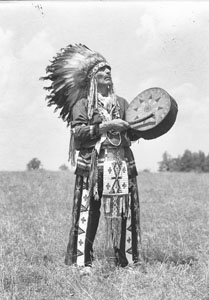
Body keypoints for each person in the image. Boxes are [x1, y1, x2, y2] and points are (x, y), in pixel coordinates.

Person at [41, 44, 142, 269]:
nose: (107, 73)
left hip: (121, 164)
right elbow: (78, 135)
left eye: (109, 70)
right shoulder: (84, 105)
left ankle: (125, 261)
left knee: (124, 211)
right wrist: (107, 126)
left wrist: (146, 125)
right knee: (89, 212)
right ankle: (82, 261)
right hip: (93, 166)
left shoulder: (123, 103)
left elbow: (134, 131)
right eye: (101, 71)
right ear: (92, 79)